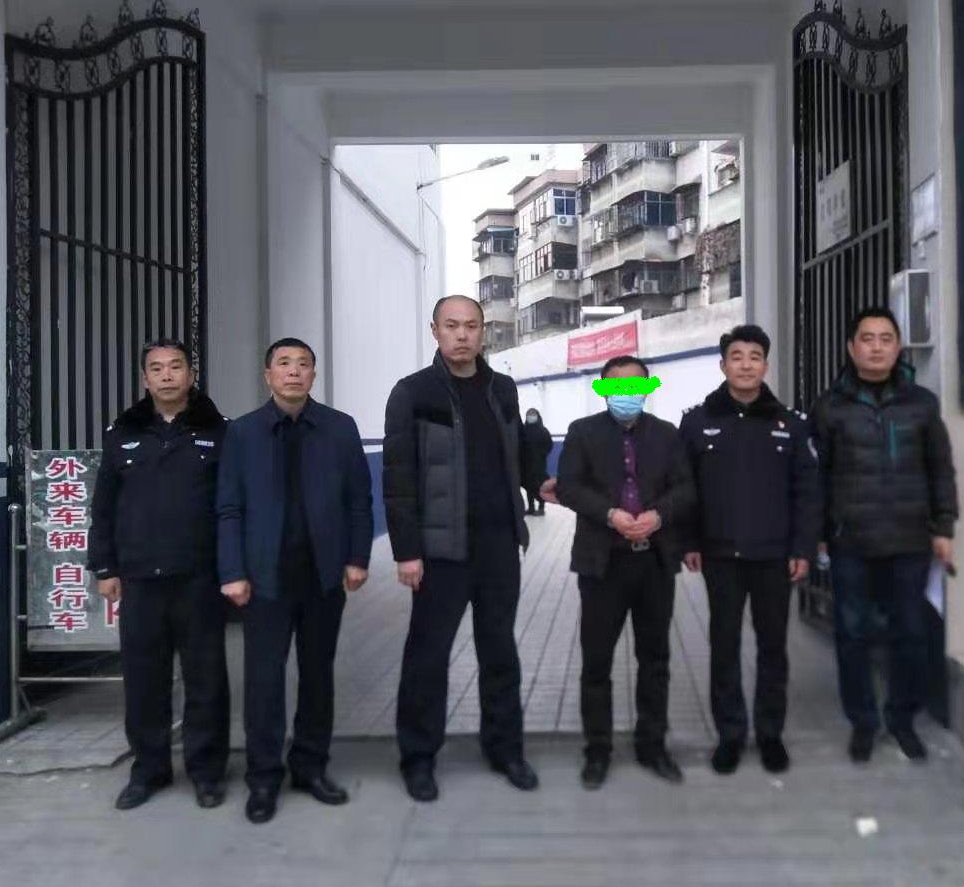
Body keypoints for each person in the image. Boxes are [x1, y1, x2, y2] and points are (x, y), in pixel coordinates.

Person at [384, 296, 538, 803]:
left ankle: (505, 750)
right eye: (452, 326)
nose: (462, 335)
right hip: (439, 552)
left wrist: (540, 489)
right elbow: (398, 478)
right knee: (427, 658)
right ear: (435, 331)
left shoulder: (502, 389)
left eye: (471, 326)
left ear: (483, 332)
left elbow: (517, 455)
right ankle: (418, 759)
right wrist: (407, 551)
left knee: (500, 652)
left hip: (498, 546)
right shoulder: (413, 392)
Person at [216, 338, 373, 824]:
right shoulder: (243, 433)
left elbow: (358, 500)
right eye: (283, 364)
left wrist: (357, 558)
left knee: (318, 676)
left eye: (303, 364)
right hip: (263, 580)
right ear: (267, 375)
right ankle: (263, 777)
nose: (293, 372)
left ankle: (310, 766)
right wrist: (232, 571)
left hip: (322, 576)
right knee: (263, 681)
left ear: (313, 375)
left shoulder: (339, 428)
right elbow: (228, 507)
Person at [88, 339, 231, 811]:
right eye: (157, 368)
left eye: (175, 367)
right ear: (145, 379)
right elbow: (104, 506)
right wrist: (105, 566)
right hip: (140, 578)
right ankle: (148, 770)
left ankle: (207, 772)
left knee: (206, 680)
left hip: (199, 577)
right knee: (144, 681)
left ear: (191, 374)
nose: (167, 375)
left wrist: (233, 568)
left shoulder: (219, 431)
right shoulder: (123, 433)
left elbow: (232, 506)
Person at [811, 307, 957, 764]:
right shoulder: (830, 407)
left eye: (885, 338)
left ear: (898, 347)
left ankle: (901, 719)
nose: (876, 347)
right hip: (851, 541)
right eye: (867, 338)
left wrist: (944, 526)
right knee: (852, 634)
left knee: (909, 633)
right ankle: (863, 722)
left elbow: (940, 469)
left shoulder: (921, 404)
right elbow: (817, 476)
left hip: (910, 540)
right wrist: (818, 533)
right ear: (851, 347)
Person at [680, 325, 821, 776]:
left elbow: (807, 492)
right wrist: (690, 542)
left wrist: (802, 548)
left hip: (774, 557)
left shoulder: (790, 424)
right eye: (737, 356)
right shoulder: (697, 422)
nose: (745, 365)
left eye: (754, 356)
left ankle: (770, 734)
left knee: (772, 648)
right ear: (723, 365)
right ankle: (730, 735)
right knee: (724, 647)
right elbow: (686, 490)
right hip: (720, 556)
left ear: (766, 365)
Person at [552, 355, 695, 790]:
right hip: (603, 563)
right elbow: (569, 486)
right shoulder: (582, 432)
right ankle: (597, 750)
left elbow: (686, 487)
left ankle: (653, 746)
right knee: (597, 662)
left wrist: (658, 515)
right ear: (603, 390)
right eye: (617, 386)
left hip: (654, 561)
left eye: (635, 386)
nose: (626, 394)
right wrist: (610, 513)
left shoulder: (667, 435)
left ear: (647, 390)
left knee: (655, 660)